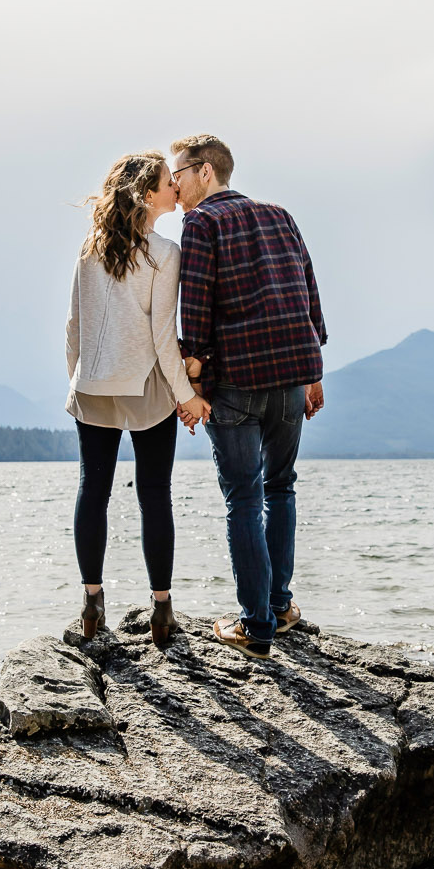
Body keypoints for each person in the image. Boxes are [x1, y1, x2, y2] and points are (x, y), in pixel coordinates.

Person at [171, 134, 327, 658]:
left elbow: (194, 304)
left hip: (235, 381)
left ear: (206, 173)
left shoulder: (202, 223)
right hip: (289, 376)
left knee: (244, 498)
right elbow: (308, 290)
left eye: (180, 173)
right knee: (280, 488)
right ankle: (281, 608)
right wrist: (314, 371)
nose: (174, 184)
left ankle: (256, 629)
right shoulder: (281, 215)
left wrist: (192, 378)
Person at [65, 150, 212, 647]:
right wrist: (187, 395)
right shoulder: (165, 253)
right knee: (154, 495)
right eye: (170, 182)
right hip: (145, 384)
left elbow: (73, 327)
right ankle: (163, 610)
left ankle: (91, 601)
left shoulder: (90, 248)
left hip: (93, 387)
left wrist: (78, 381)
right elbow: (162, 336)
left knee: (94, 491)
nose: (176, 187)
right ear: (149, 196)